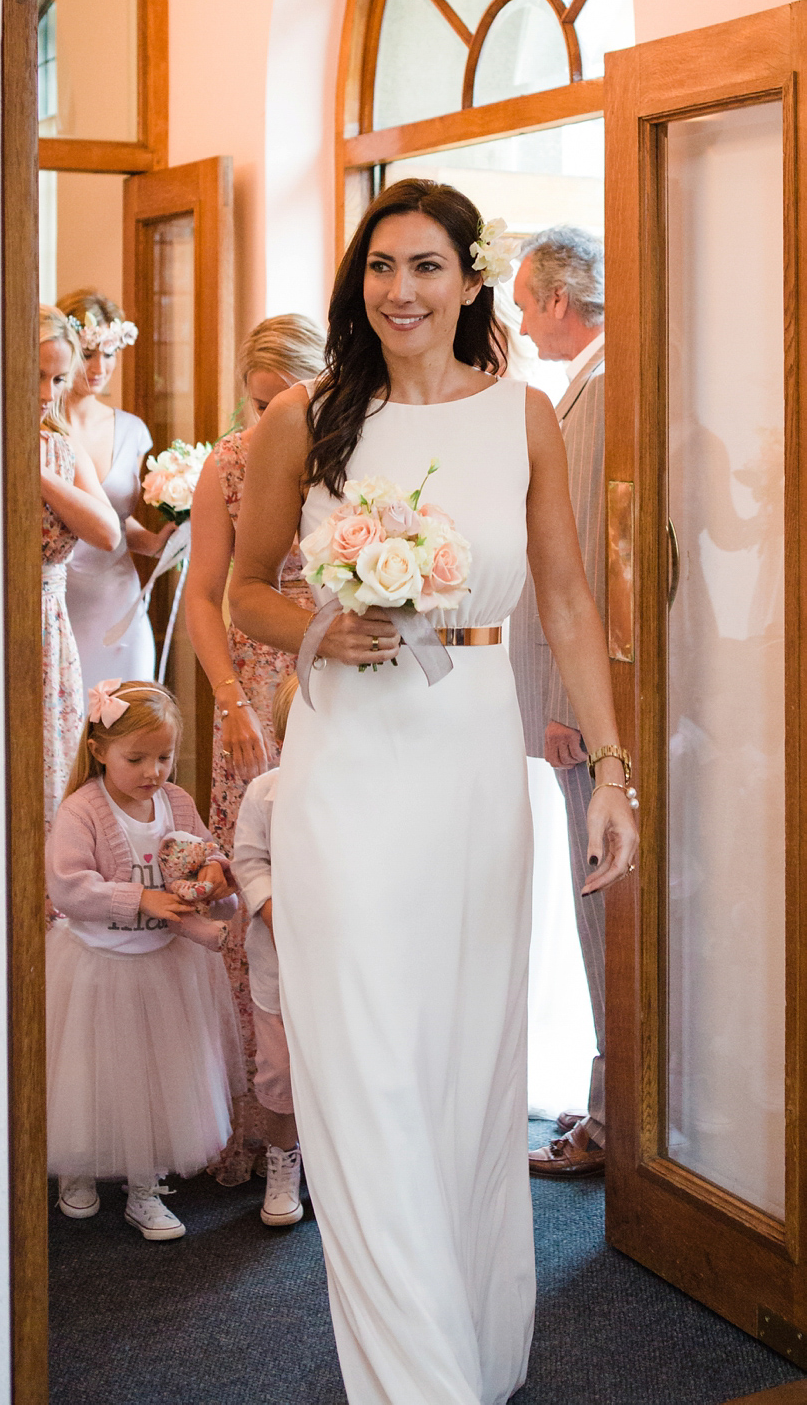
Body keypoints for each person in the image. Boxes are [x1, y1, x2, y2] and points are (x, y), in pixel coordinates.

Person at [229, 179, 637, 1405]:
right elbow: (244, 589)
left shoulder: (523, 416)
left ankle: (470, 1330)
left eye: (425, 267)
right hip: (347, 760)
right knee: (366, 1055)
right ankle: (416, 1375)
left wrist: (611, 769)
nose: (399, 291)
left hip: (467, 755)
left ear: (470, 278)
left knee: (465, 1057)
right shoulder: (305, 417)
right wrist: (317, 635)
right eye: (378, 268)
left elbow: (564, 598)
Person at [184, 313, 325, 1186]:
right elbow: (205, 594)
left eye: (285, 404)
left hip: (342, 676)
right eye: (257, 402)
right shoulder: (231, 462)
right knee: (254, 890)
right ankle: (265, 1123)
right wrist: (232, 701)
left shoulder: (361, 453)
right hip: (253, 688)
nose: (269, 419)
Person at [44, 680, 245, 1240]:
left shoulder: (175, 802)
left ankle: (145, 1186)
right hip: (98, 965)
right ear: (99, 750)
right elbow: (68, 886)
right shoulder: (83, 809)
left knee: (161, 1074)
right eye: (136, 758)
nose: (153, 770)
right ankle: (78, 1167)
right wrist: (141, 898)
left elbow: (205, 850)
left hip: (165, 965)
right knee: (93, 1072)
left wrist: (212, 872)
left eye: (164, 757)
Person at [509, 227, 609, 1179]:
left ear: (554, 299)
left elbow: (586, 568)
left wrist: (579, 704)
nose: (516, 316)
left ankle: (613, 1120)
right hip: (569, 707)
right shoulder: (581, 384)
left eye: (521, 297)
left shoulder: (599, 388)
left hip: (585, 713)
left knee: (600, 913)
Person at [57, 290, 175, 705]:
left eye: (109, 356)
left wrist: (159, 542)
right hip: (62, 598)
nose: (98, 368)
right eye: (88, 354)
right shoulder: (42, 428)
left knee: (131, 716)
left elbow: (119, 521)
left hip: (118, 599)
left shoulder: (132, 431)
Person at [39, 305, 121, 834]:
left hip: (47, 627)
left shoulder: (62, 449)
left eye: (58, 378)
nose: (48, 393)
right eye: (36, 376)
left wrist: (40, 476)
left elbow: (108, 532)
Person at [232, 673, 303, 1228]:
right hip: (281, 960)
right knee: (279, 1071)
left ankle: (342, 1169)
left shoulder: (367, 788)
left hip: (346, 965)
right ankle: (283, 1162)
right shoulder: (266, 792)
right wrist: (276, 912)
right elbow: (249, 861)